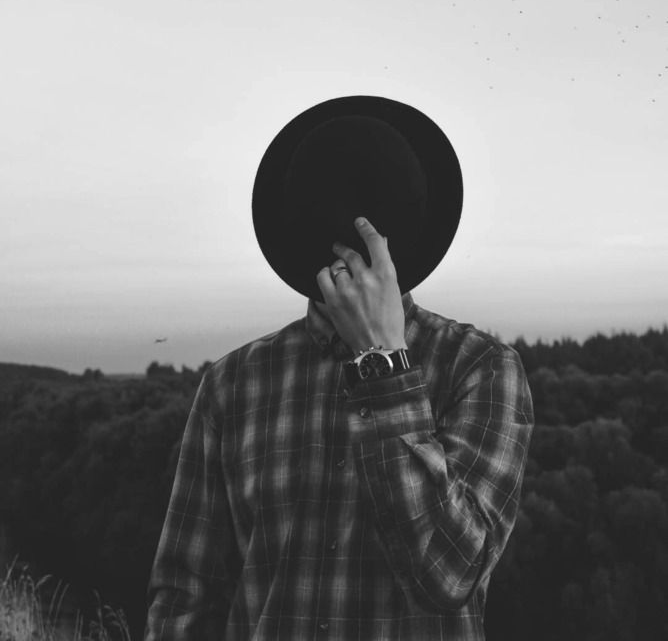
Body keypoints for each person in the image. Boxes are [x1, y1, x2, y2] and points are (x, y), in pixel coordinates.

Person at [144, 95, 534, 641]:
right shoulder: (233, 384)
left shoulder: (481, 369)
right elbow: (187, 597)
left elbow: (451, 575)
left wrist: (383, 364)